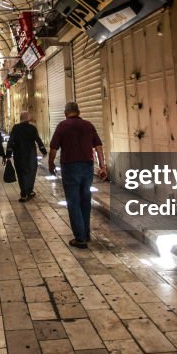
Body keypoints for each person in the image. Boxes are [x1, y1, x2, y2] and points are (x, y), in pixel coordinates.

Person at [48, 102, 106, 249]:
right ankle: (85, 233)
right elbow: (98, 146)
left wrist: (51, 163)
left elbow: (54, 148)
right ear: (78, 112)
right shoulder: (88, 125)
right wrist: (102, 166)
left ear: (65, 113)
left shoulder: (62, 126)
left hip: (70, 167)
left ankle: (80, 238)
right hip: (87, 167)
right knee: (85, 200)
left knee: (73, 201)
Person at [6, 111, 46, 202]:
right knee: (31, 173)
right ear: (28, 119)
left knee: (21, 174)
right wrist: (43, 150)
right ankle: (29, 191)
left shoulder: (16, 128)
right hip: (31, 155)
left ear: (20, 118)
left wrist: (8, 154)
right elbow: (38, 140)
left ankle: (23, 193)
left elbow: (11, 141)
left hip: (19, 155)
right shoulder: (32, 128)